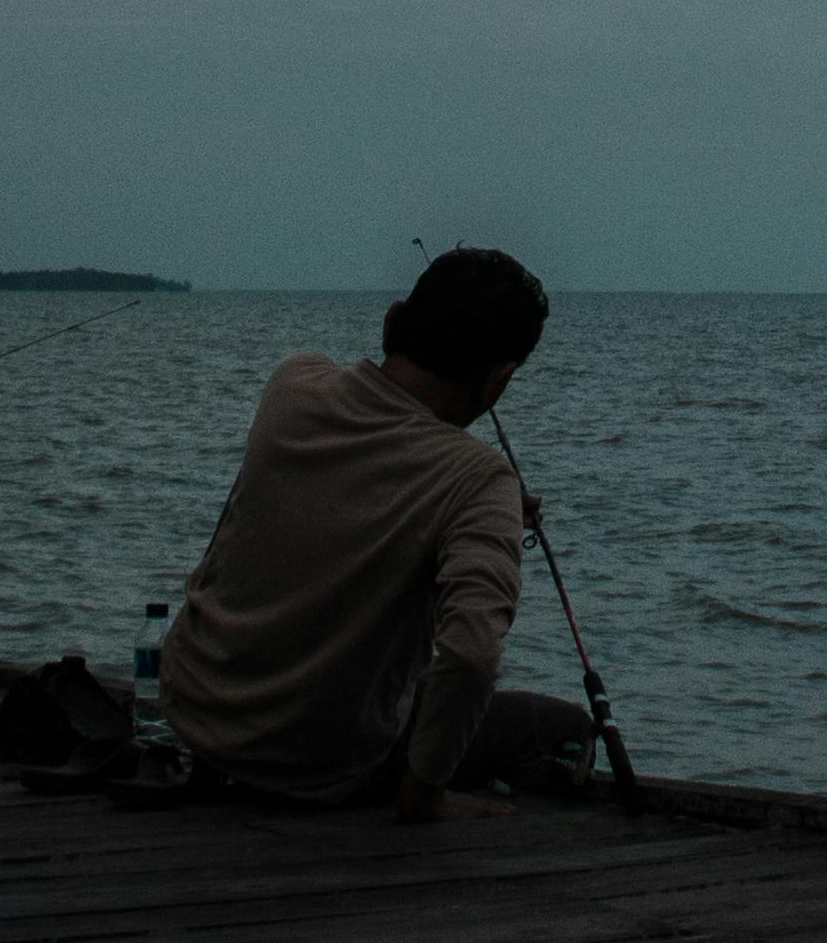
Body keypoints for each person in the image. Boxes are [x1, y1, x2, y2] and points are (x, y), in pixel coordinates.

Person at [163, 246, 595, 819]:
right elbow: (469, 659)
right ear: (499, 379)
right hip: (325, 773)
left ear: (392, 322)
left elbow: (365, 476)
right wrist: (425, 796)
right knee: (567, 731)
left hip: (191, 722)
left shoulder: (292, 385)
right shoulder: (479, 480)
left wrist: (486, 508)